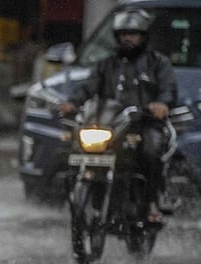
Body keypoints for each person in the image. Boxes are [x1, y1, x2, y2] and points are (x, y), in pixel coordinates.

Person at [57, 8, 177, 222]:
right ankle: (84, 199)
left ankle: (152, 201)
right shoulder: (106, 64)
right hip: (110, 124)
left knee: (151, 150)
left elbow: (168, 88)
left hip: (144, 123)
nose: (128, 38)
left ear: (143, 36)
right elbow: (88, 87)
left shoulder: (158, 62)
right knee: (74, 145)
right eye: (123, 34)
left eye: (133, 33)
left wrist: (161, 104)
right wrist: (71, 103)